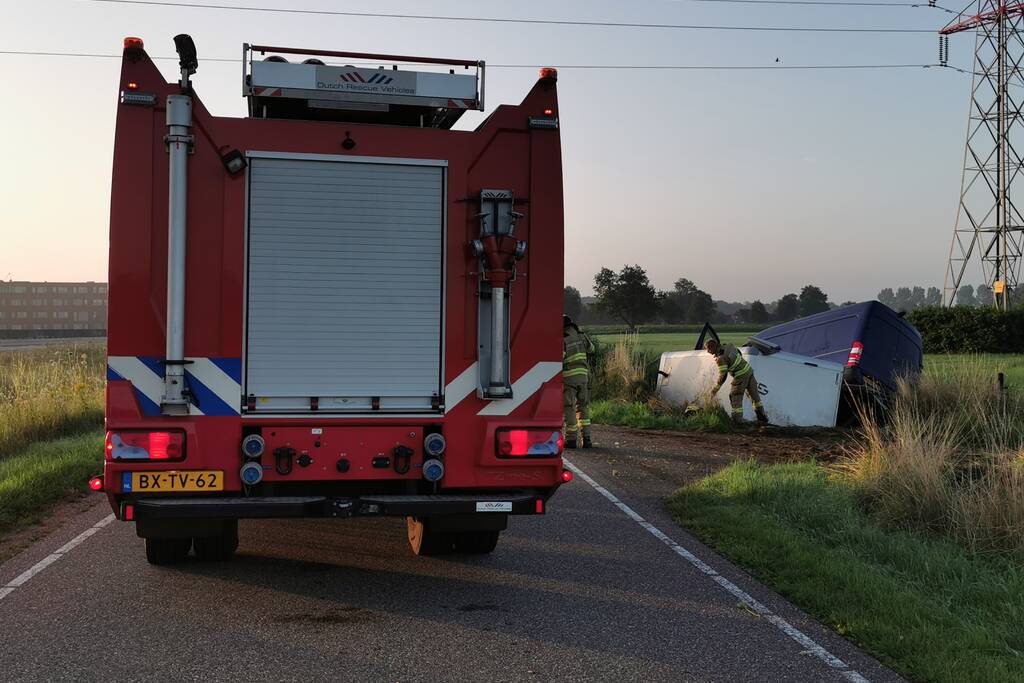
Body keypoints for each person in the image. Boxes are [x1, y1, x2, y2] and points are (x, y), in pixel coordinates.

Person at [705, 339, 769, 425]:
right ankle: (762, 418)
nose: (707, 351)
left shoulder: (720, 358)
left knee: (735, 396)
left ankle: (737, 421)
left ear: (713, 347)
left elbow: (723, 376)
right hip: (749, 371)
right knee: (754, 396)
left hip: (740, 376)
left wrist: (715, 390)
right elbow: (739, 352)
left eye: (708, 349)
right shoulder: (729, 345)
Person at [563, 315, 595, 448]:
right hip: (583, 377)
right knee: (583, 407)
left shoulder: (563, 338)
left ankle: (571, 440)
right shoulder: (582, 335)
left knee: (569, 407)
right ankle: (586, 439)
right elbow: (592, 349)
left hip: (569, 378)